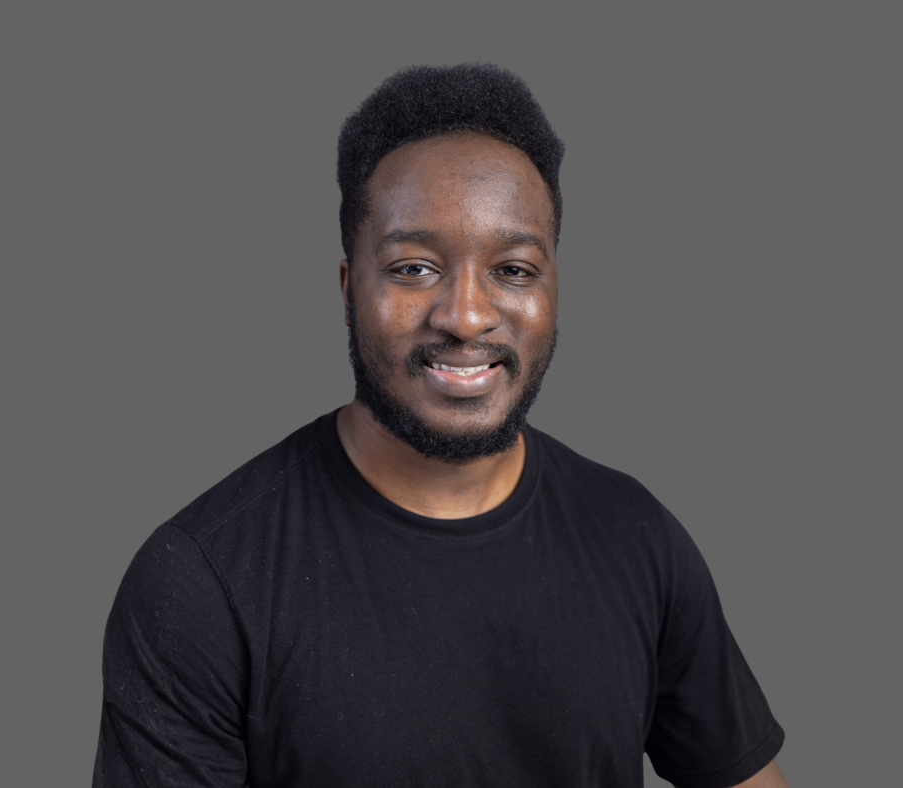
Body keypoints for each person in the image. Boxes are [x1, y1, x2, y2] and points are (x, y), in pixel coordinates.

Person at [94, 63, 788, 788]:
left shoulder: (638, 539)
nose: (465, 316)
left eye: (514, 271)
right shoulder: (205, 577)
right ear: (347, 290)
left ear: (553, 290)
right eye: (415, 268)